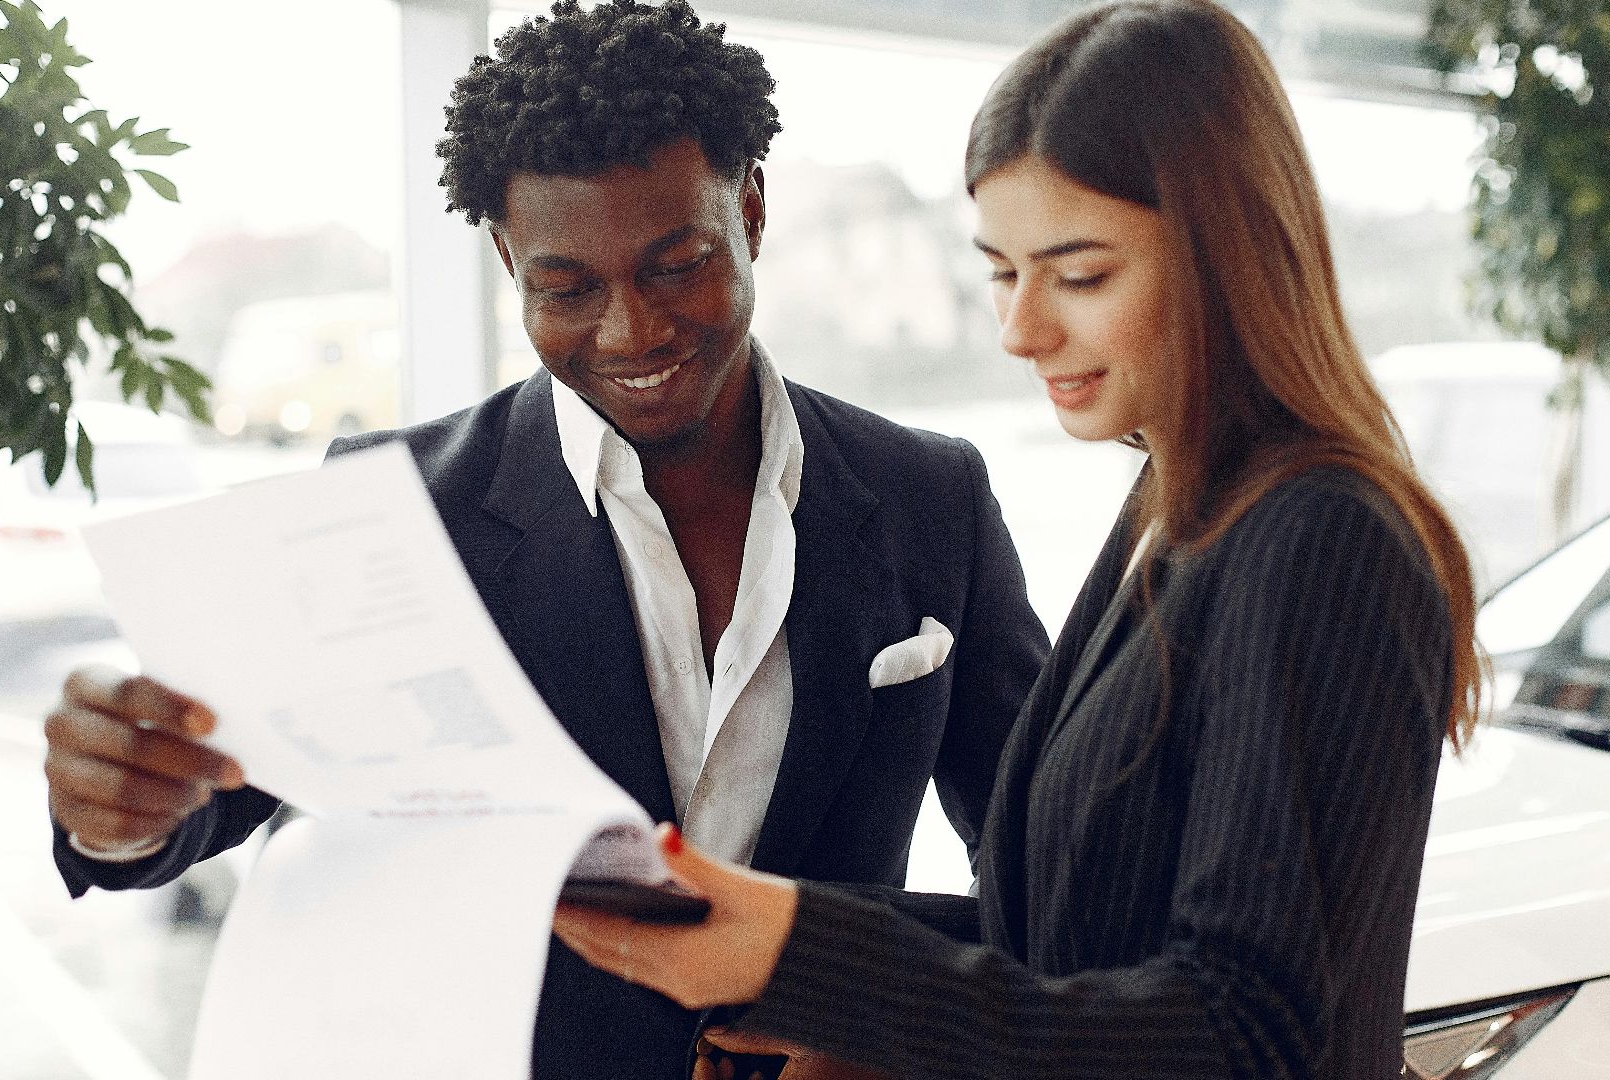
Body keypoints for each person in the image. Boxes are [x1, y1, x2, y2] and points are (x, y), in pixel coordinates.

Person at [39, 3, 1049, 1077]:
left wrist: (893, 1023)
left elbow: (1053, 872)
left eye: (676, 265)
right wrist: (124, 804)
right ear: (505, 255)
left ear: (751, 210)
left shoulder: (930, 494)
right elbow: (208, 802)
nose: (633, 332)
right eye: (566, 288)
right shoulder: (400, 511)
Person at [551, 2, 1487, 1078]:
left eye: (1079, 274)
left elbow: (1245, 1034)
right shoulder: (1171, 506)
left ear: (1229, 254)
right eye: (1002, 270)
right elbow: (1062, 940)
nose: (1020, 329)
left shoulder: (1323, 538)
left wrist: (815, 963)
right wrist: (809, 979)